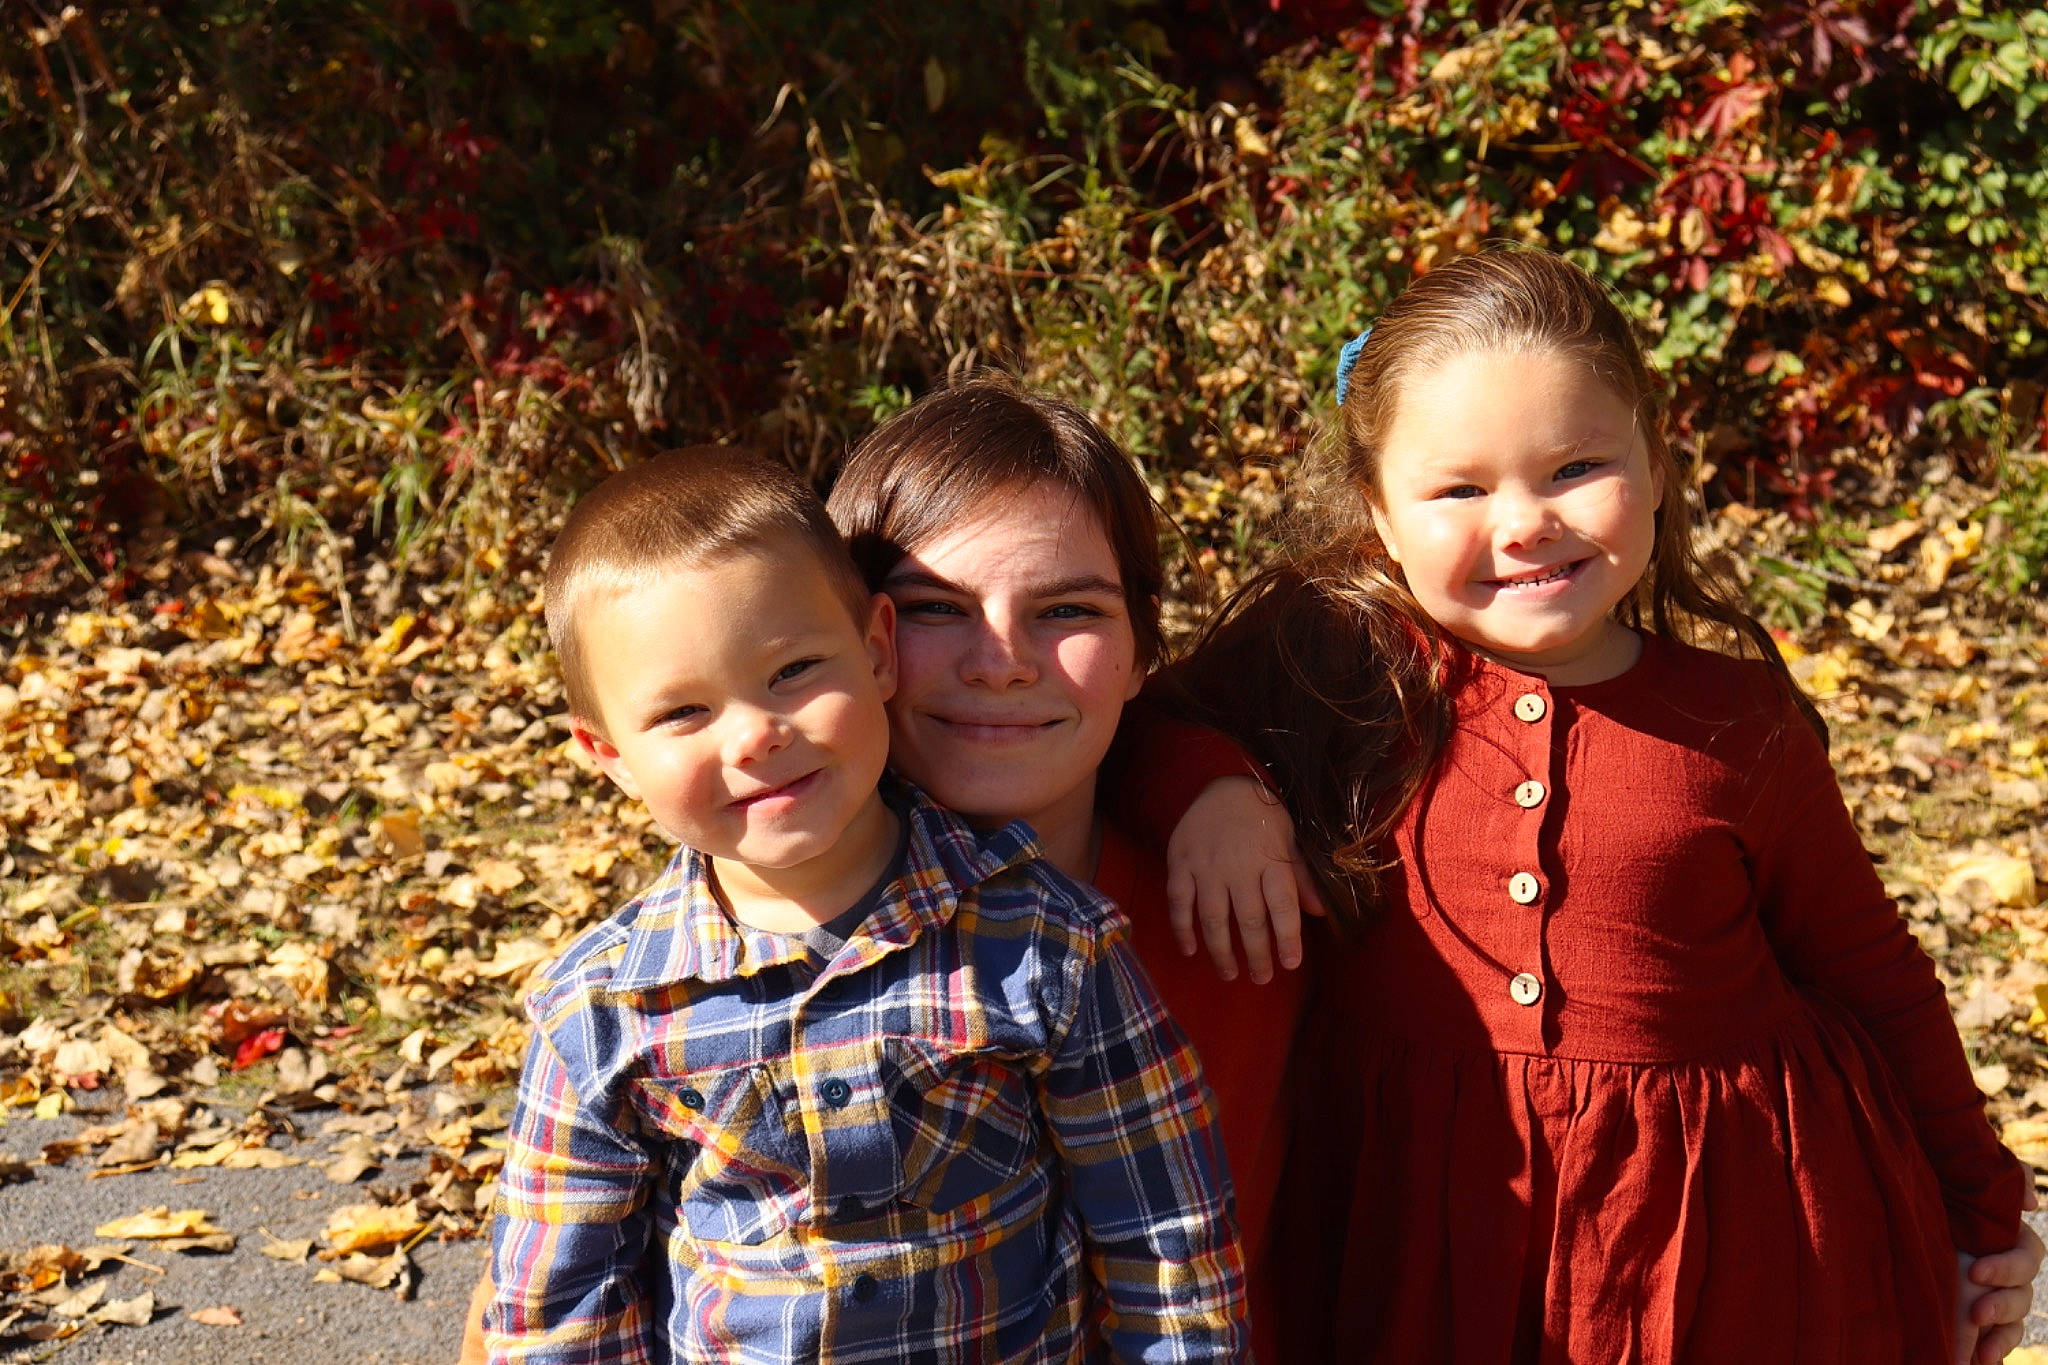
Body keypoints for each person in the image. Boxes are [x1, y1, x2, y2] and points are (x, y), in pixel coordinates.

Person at [1119, 248, 2044, 1363]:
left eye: (1573, 469)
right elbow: (1134, 727)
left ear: (1655, 466)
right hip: (1420, 1228)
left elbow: (1871, 972)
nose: (1522, 523)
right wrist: (1213, 792)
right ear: (1377, 511)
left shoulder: (1736, 724)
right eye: (1458, 489)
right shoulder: (1323, 669)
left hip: (1713, 1239)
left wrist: (1986, 1217)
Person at [478, 445, 1247, 1362]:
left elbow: (1165, 1235)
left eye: (794, 670)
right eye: (684, 712)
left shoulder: (1044, 941)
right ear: (607, 754)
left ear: (876, 650)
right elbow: (562, 1307)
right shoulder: (603, 1010)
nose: (758, 734)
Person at [826, 373, 1311, 1363]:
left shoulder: (1250, 913)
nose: (1000, 661)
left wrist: (1217, 785)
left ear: (1142, 650)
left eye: (1065, 611)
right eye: (931, 608)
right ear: (852, 639)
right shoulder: (757, 929)